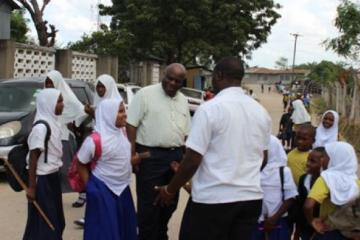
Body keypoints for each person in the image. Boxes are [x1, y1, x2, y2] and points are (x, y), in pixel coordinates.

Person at [155, 57, 272, 240]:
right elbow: (263, 158)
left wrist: (170, 190)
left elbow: (192, 160)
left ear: (219, 75)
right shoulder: (261, 112)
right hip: (250, 200)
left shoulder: (210, 109)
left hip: (212, 201)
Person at [126, 63, 191, 240]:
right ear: (164, 75)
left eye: (177, 81)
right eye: (169, 78)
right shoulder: (145, 94)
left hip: (175, 158)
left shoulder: (183, 100)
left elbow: (186, 133)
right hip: (150, 157)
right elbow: (131, 124)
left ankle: (161, 235)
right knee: (149, 208)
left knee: (170, 203)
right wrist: (132, 154)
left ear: (182, 82)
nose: (172, 83)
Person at [77, 98, 137, 240]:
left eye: (124, 110)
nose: (125, 115)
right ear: (109, 114)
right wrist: (90, 188)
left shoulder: (122, 134)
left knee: (124, 229)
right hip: (102, 189)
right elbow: (80, 163)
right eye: (120, 111)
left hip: (122, 190)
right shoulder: (94, 140)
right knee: (104, 232)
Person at [23, 88, 65, 240]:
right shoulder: (41, 128)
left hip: (53, 177)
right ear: (49, 104)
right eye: (59, 101)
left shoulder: (54, 123)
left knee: (57, 221)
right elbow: (33, 157)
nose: (62, 104)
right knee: (46, 224)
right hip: (42, 181)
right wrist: (32, 187)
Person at [304, 142, 360, 239]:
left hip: (327, 229)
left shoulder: (326, 178)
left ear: (336, 158)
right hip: (349, 232)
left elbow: (308, 205)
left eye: (326, 157)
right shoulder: (356, 181)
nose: (323, 160)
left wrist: (312, 221)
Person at [45, 70, 88, 194]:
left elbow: (81, 111)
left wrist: (74, 123)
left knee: (68, 170)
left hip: (64, 138)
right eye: (47, 83)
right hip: (50, 137)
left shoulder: (67, 98)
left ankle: (82, 193)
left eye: (51, 83)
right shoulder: (45, 97)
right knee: (53, 170)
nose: (49, 86)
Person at [253, 135, 298, 240]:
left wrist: (274, 219)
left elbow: (290, 198)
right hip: (255, 220)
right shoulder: (253, 169)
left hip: (277, 220)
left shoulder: (283, 171)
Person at [286, 124, 315, 239]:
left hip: (302, 198)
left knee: (300, 226)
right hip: (289, 197)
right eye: (297, 138)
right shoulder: (291, 153)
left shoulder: (311, 157)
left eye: (304, 139)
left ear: (313, 140)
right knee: (289, 224)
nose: (299, 141)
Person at [296, 148, 324, 240]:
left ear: (324, 163)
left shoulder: (327, 183)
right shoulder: (303, 179)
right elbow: (300, 206)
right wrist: (297, 230)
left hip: (321, 230)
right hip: (305, 228)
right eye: (308, 159)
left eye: (312, 161)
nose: (307, 163)